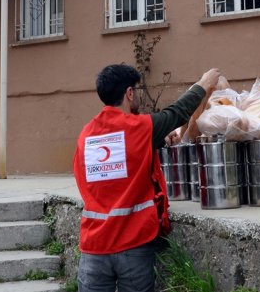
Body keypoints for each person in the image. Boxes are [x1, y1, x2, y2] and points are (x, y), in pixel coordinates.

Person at [73, 64, 221, 292]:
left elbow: (116, 160)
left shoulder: (86, 134)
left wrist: (157, 141)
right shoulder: (140, 127)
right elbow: (177, 113)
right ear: (129, 93)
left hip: (93, 246)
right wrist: (203, 84)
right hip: (132, 244)